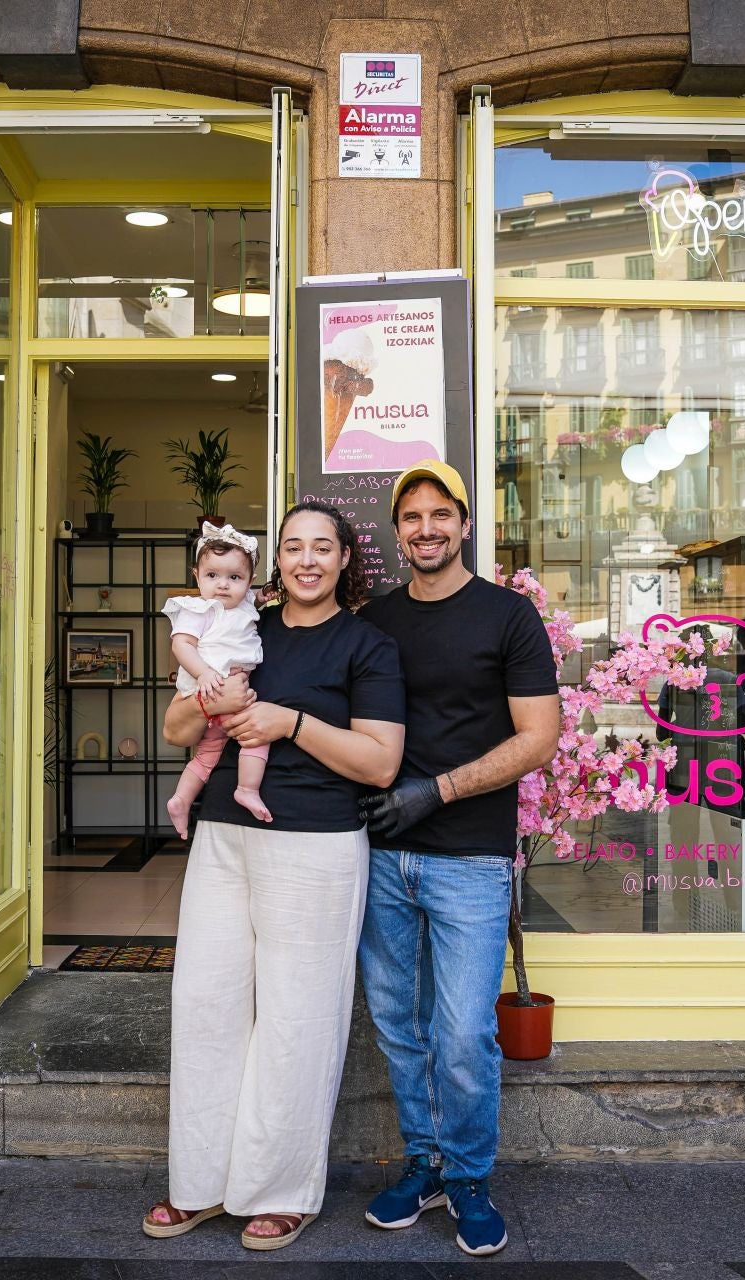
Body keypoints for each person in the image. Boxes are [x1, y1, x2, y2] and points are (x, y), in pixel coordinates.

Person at [144, 501, 406, 1252]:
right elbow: (175, 729)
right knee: (205, 1005)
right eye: (293, 547)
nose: (307, 560)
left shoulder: (368, 646)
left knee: (297, 1018)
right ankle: (198, 1182)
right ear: (274, 563)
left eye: (323, 547)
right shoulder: (241, 623)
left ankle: (280, 1189)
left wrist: (289, 723)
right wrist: (208, 697)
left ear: (345, 559)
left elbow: (380, 762)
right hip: (223, 837)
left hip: (316, 845)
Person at [355, 460, 562, 1258]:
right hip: (380, 855)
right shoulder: (376, 618)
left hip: (470, 856)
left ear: (465, 523)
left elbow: (538, 740)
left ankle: (471, 1174)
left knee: (465, 1030)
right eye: (412, 517)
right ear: (397, 531)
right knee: (400, 1025)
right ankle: (426, 1162)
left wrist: (434, 792)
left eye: (441, 514)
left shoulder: (508, 617)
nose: (427, 529)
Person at [163, 522, 269, 838]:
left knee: (207, 756)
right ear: (197, 576)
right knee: (257, 734)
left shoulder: (244, 601)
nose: (222, 585)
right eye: (212, 576)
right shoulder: (201, 609)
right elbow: (181, 644)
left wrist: (265, 595)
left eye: (234, 577)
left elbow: (255, 599)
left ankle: (181, 800)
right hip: (213, 687)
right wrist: (204, 672)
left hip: (224, 697)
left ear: (249, 581)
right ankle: (247, 789)